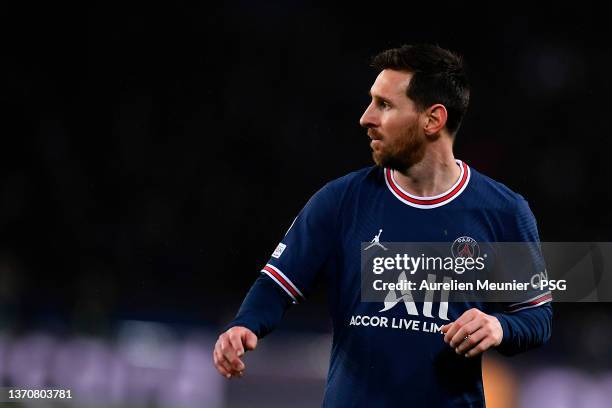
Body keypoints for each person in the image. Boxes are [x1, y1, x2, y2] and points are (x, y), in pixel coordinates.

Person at [212, 44, 552, 407]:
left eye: (384, 105)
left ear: (432, 120)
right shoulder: (340, 201)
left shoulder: (503, 211)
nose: (366, 117)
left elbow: (537, 316)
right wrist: (244, 324)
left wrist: (499, 326)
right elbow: (278, 284)